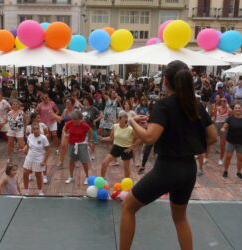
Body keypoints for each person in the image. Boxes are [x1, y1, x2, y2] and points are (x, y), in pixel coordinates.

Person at [119, 60, 217, 250]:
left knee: (128, 207)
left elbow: (149, 138)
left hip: (167, 169)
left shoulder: (163, 105)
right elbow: (212, 137)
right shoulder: (195, 105)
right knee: (180, 219)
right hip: (188, 169)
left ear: (165, 81)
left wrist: (131, 121)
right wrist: (189, 146)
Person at [99, 111, 139, 178]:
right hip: (116, 147)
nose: (119, 119)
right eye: (119, 117)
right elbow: (111, 138)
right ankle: (102, 180)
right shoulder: (115, 126)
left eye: (121, 118)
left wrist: (131, 147)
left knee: (126, 169)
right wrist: (103, 138)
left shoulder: (130, 129)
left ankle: (126, 185)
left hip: (126, 149)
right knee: (104, 163)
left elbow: (139, 139)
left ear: (125, 119)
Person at [221, 103, 242, 179]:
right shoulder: (230, 118)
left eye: (239, 108)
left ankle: (239, 172)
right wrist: (223, 129)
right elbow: (224, 126)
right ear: (234, 110)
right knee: (228, 157)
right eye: (236, 108)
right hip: (231, 141)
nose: (237, 109)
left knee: (240, 158)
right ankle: (225, 171)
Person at [63, 110, 93, 184]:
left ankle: (87, 177)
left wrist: (90, 140)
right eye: (73, 119)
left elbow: (91, 131)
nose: (74, 121)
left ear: (80, 119)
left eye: (76, 119)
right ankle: (71, 177)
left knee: (84, 161)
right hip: (71, 144)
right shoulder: (69, 123)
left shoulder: (84, 125)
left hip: (81, 144)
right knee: (71, 161)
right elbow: (64, 129)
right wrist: (65, 134)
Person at [22, 122, 50, 196]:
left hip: (39, 159)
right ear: (32, 130)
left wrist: (44, 161)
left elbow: (48, 151)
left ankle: (40, 191)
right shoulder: (30, 137)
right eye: (34, 129)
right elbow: (28, 146)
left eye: (37, 129)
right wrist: (24, 150)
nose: (36, 130)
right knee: (25, 174)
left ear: (39, 129)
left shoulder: (43, 138)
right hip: (29, 158)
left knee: (38, 176)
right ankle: (26, 191)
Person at [81, 96, 103, 160]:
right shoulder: (82, 108)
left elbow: (101, 115)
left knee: (92, 141)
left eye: (85, 100)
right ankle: (88, 152)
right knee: (85, 141)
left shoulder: (94, 108)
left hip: (92, 127)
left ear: (88, 101)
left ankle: (93, 154)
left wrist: (95, 120)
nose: (84, 101)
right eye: (84, 100)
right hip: (83, 128)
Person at [56, 98, 76, 167]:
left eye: (68, 103)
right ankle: (61, 161)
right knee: (63, 146)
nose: (67, 104)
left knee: (73, 147)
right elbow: (61, 119)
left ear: (72, 104)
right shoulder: (65, 110)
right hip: (65, 130)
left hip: (73, 131)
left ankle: (74, 161)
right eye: (66, 103)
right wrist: (53, 114)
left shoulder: (75, 111)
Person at [213, 97, 232, 166]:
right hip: (216, 125)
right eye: (221, 101)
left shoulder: (229, 110)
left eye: (224, 101)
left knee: (222, 144)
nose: (223, 102)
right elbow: (214, 117)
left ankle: (221, 158)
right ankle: (206, 155)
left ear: (227, 102)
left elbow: (231, 119)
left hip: (224, 126)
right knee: (211, 139)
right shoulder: (217, 108)